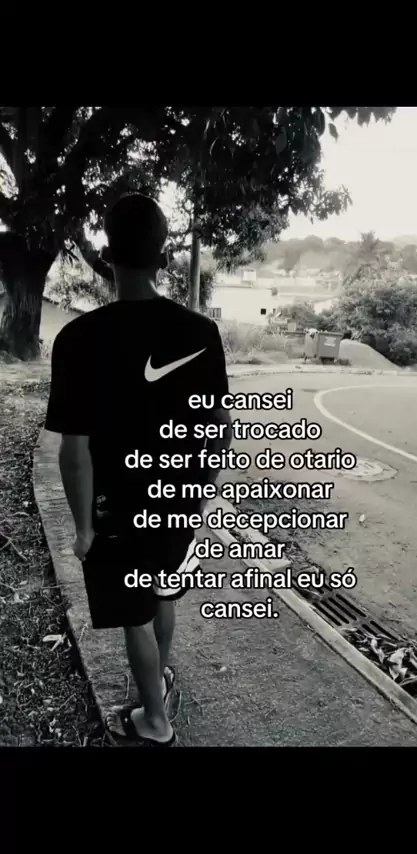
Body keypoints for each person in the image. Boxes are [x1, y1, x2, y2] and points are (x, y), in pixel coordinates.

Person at [45, 193, 232, 747]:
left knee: (135, 616)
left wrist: (83, 528)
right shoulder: (200, 333)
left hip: (117, 508)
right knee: (162, 594)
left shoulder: (77, 338)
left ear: (107, 258)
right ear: (165, 259)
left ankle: (154, 721)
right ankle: (159, 680)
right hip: (176, 498)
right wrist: (199, 497)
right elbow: (219, 430)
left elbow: (74, 450)